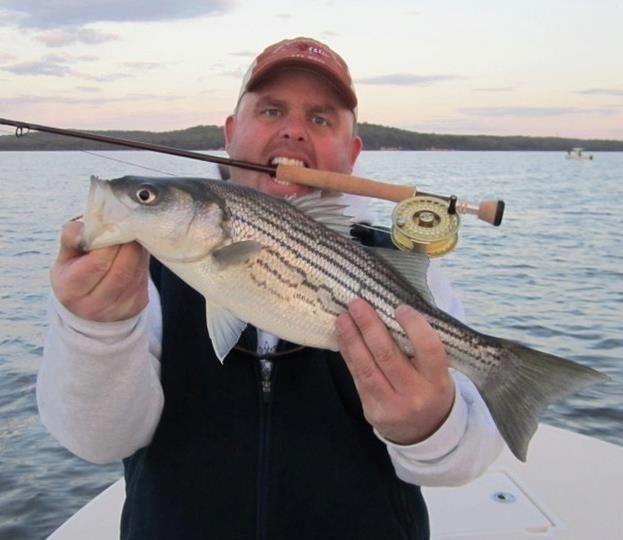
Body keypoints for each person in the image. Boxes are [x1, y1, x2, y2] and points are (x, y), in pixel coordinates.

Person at [38, 37, 503, 540]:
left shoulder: (404, 266)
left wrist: (430, 425)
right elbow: (97, 441)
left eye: (321, 118)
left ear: (351, 153)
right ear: (232, 133)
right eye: (272, 110)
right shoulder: (134, 275)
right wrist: (96, 330)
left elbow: (467, 459)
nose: (294, 131)